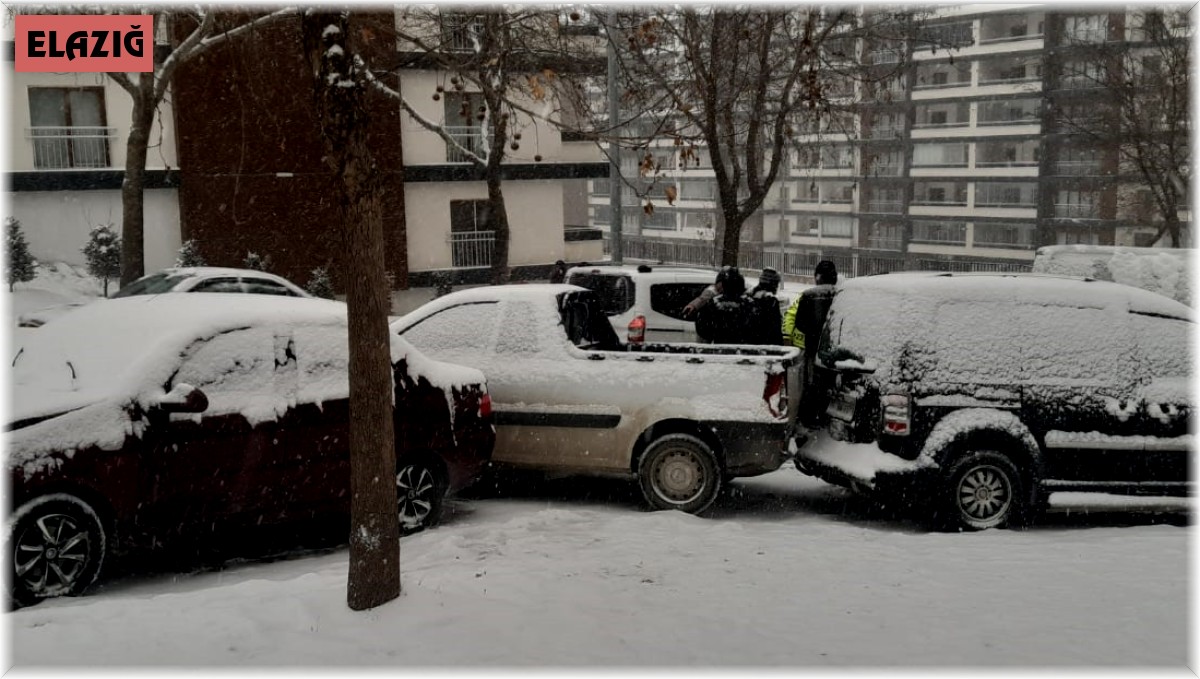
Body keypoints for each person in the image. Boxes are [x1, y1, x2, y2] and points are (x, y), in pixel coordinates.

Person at [783, 259, 839, 427]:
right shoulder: (841, 294)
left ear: (818, 276)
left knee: (811, 382)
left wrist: (811, 332)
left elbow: (799, 322)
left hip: (812, 347)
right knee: (832, 382)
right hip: (835, 347)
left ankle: (811, 418)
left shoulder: (808, 295)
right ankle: (829, 415)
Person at [694, 267, 753, 344]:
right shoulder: (750, 305)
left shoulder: (713, 304)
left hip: (720, 348)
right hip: (745, 349)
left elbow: (703, 331)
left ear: (724, 286)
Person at [747, 267, 784, 345]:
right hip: (765, 346)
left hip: (749, 344)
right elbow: (776, 330)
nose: (777, 287)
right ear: (773, 284)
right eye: (777, 284)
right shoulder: (771, 301)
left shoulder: (749, 297)